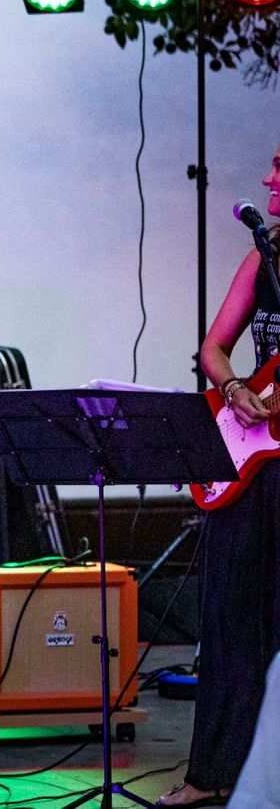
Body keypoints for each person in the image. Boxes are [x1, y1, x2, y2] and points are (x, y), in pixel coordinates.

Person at [162, 145, 280, 808]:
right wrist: (233, 384)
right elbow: (213, 346)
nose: (267, 178)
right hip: (252, 459)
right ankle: (210, 775)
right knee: (228, 613)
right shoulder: (263, 256)